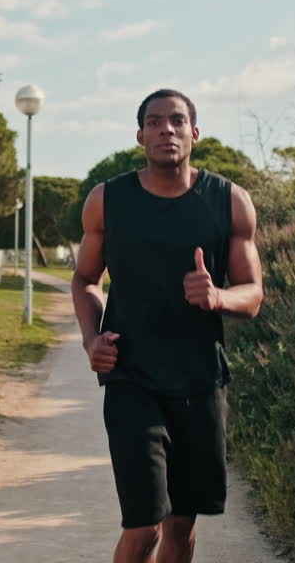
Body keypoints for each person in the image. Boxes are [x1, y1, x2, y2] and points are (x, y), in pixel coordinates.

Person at [71, 89, 264, 563]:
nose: (166, 130)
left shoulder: (229, 201)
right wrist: (91, 336)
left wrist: (218, 297)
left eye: (177, 121)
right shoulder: (107, 201)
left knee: (181, 526)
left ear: (194, 133)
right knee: (144, 527)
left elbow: (253, 293)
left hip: (199, 381)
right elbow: (84, 279)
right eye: (154, 122)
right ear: (140, 135)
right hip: (131, 378)